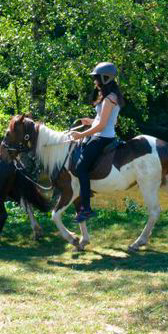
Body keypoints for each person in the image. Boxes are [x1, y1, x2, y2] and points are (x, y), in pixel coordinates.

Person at [69, 62, 122, 223]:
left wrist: (80, 135)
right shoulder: (111, 97)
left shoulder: (109, 99)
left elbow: (102, 125)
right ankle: (86, 191)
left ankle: (87, 208)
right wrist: (90, 120)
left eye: (96, 78)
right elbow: (105, 121)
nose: (95, 81)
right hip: (102, 134)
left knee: (80, 167)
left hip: (102, 137)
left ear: (105, 79)